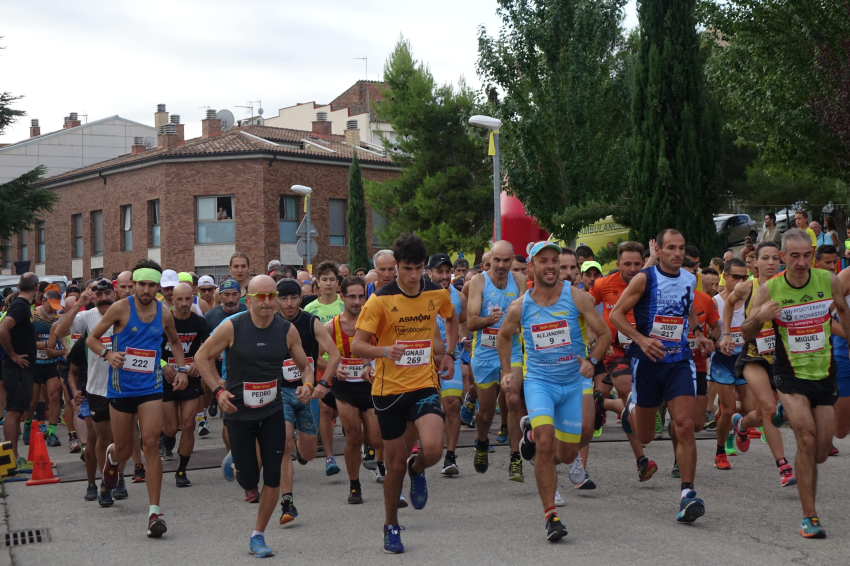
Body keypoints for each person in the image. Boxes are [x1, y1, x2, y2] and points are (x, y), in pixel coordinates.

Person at [351, 233, 458, 554]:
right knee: (394, 465)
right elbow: (358, 345)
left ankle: (419, 467)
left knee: (434, 448)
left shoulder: (435, 292)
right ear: (395, 266)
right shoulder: (379, 300)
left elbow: (452, 319)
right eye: (408, 268)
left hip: (424, 383)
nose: (414, 276)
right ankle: (391, 525)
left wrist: (450, 354)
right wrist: (385, 351)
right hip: (388, 391)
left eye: (419, 269)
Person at [741, 228, 850, 538]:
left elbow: (842, 311)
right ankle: (809, 516)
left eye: (807, 256)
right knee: (806, 439)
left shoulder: (828, 281)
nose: (801, 262)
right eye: (794, 256)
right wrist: (759, 315)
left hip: (823, 373)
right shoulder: (769, 290)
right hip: (789, 374)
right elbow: (747, 333)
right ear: (783, 257)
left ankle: (782, 414)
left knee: (821, 450)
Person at [196, 275, 314, 557]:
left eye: (272, 296)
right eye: (261, 297)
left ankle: (258, 535)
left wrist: (308, 384)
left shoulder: (286, 330)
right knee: (249, 479)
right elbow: (202, 357)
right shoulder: (232, 327)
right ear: (248, 300)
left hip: (273, 409)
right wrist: (217, 391)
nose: (268, 302)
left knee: (272, 476)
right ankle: (236, 460)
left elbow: (305, 365)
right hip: (238, 411)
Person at [500, 241, 611, 541]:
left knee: (566, 452)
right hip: (540, 383)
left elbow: (605, 334)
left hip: (573, 385)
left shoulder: (577, 298)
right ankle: (551, 516)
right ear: (531, 267)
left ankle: (532, 433)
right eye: (544, 261)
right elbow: (503, 337)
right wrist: (507, 371)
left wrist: (592, 360)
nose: (550, 266)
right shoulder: (520, 306)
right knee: (547, 446)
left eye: (555, 261)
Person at [610, 230, 713, 523]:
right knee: (645, 435)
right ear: (660, 251)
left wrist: (697, 332)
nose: (678, 253)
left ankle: (687, 494)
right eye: (671, 248)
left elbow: (688, 307)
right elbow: (616, 314)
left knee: (684, 424)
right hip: (648, 363)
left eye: (681, 248)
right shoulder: (645, 278)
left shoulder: (690, 279)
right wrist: (640, 340)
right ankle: (631, 407)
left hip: (679, 360)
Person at [86, 260, 186, 538]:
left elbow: (175, 342)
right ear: (133, 285)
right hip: (121, 389)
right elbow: (92, 339)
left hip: (151, 387)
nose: (146, 289)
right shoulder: (121, 308)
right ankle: (112, 457)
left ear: (157, 287)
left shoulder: (164, 313)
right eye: (141, 284)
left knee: (151, 443)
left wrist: (181, 370)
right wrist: (107, 354)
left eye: (151, 285)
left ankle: (154, 512)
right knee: (125, 448)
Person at [720, 241, 796, 485]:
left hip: (783, 358)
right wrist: (726, 333)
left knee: (772, 413)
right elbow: (729, 303)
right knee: (769, 407)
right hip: (754, 356)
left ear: (781, 260)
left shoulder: (789, 286)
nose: (771, 263)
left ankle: (741, 424)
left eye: (775, 258)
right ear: (756, 262)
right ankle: (784, 466)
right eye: (765, 258)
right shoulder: (747, 287)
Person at [589, 241, 659, 483]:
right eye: (627, 264)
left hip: (645, 347)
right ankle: (642, 459)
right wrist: (596, 336)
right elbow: (585, 308)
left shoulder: (650, 281)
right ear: (617, 265)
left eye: (637, 264)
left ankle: (602, 402)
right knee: (629, 394)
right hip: (616, 351)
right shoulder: (603, 285)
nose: (632, 268)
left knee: (632, 405)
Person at [275, 278, 340, 521]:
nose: (289, 303)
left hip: (307, 390)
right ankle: (287, 502)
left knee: (309, 453)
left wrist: (323, 383)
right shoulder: (271, 322)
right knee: (284, 444)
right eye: (284, 298)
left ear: (301, 298)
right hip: (280, 392)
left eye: (293, 298)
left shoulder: (311, 322)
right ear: (277, 300)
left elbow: (334, 354)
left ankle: (297, 450)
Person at [318, 276, 384, 505]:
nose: (357, 301)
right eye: (352, 296)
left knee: (376, 438)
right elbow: (314, 357)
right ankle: (355, 485)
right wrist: (333, 370)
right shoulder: (331, 326)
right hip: (344, 388)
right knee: (353, 436)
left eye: (361, 296)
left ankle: (373, 456)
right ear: (342, 297)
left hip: (370, 385)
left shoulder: (375, 323)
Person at [467, 240, 527, 481]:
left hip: (511, 350)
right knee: (486, 413)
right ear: (489, 260)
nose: (501, 265)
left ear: (512, 260)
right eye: (497, 260)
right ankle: (482, 442)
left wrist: (515, 325)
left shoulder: (520, 281)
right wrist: (490, 320)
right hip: (484, 352)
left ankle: (515, 457)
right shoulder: (478, 282)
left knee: (512, 398)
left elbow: (526, 316)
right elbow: (471, 322)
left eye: (506, 260)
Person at [160, 283, 210, 487]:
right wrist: (163, 365)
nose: (183, 303)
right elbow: (150, 348)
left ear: (193, 298)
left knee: (188, 424)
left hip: (190, 377)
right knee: (172, 428)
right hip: (167, 378)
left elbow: (209, 348)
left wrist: (198, 362)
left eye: (187, 299)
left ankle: (181, 470)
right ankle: (167, 440)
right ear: (172, 299)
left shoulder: (199, 323)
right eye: (179, 299)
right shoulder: (163, 321)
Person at [427, 254, 468, 476]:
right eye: (439, 271)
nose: (443, 276)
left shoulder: (459, 297)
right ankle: (419, 451)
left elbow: (465, 322)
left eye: (446, 271)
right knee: (424, 409)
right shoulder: (420, 296)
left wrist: (464, 340)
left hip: (452, 358)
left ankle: (450, 456)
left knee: (452, 404)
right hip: (423, 362)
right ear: (430, 272)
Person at [710, 258, 750, 468]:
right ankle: (720, 452)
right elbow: (708, 337)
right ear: (725, 276)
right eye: (736, 277)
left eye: (745, 277)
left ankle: (740, 425)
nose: (742, 281)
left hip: (745, 360)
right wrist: (718, 345)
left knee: (753, 410)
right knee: (727, 408)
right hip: (723, 361)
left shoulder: (752, 299)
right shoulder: (715, 302)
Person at [0, 272, 38, 471]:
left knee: (15, 412)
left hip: (20, 369)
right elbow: (2, 328)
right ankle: (12, 458)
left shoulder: (22, 306)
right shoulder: (20, 307)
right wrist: (13, 355)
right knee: (13, 413)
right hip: (16, 369)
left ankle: (14, 457)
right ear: (37, 288)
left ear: (18, 284)